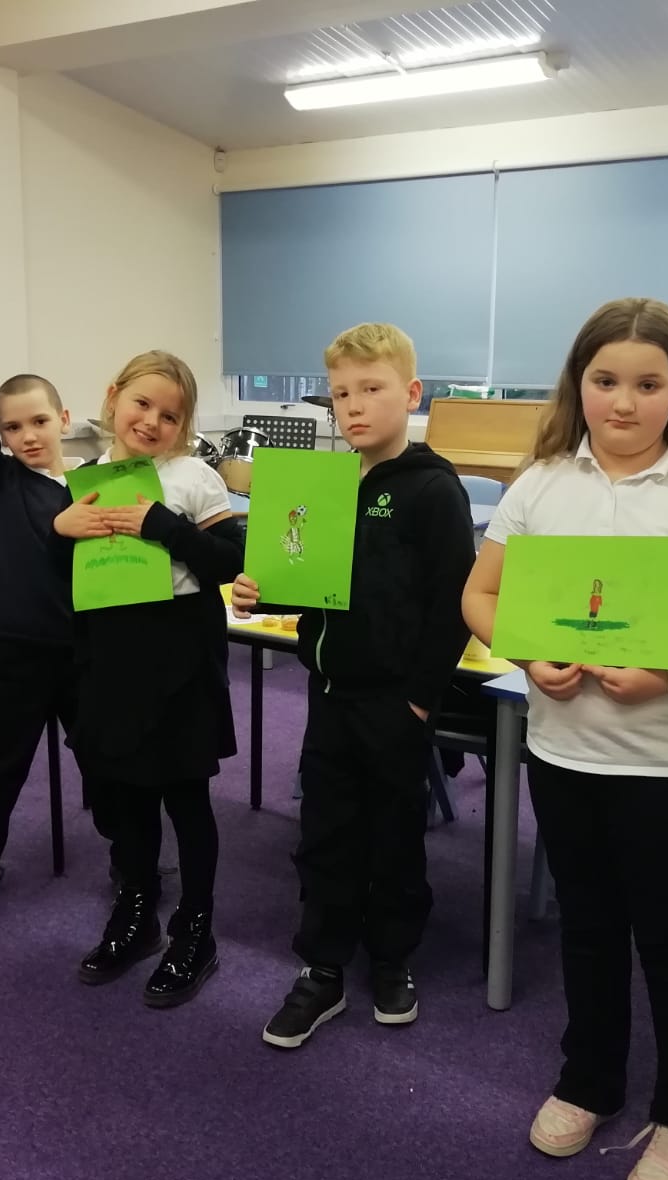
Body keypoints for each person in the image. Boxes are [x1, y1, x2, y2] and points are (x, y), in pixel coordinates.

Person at [461, 298, 668, 1180]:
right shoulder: (544, 480)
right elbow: (481, 595)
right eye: (605, 381)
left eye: (646, 384)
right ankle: (589, 1078)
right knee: (588, 929)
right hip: (563, 751)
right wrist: (526, 649)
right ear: (579, 385)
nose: (623, 403)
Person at [231, 322, 475, 1049]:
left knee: (394, 834)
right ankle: (324, 968)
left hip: (394, 700)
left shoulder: (433, 490)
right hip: (329, 695)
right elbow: (319, 586)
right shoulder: (329, 487)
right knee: (326, 834)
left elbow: (452, 605)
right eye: (342, 394)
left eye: (372, 390)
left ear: (411, 392)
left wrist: (420, 700)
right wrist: (262, 591)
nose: (355, 407)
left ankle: (393, 956)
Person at [56, 350, 244, 1008]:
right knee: (127, 797)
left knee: (185, 798)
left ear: (184, 424)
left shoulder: (194, 476)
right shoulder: (85, 478)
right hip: (109, 655)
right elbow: (62, 576)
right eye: (142, 404)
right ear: (114, 397)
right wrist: (59, 527)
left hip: (179, 656)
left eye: (170, 414)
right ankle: (136, 914)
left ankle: (196, 929)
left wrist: (163, 523)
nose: (152, 420)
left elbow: (230, 561)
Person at [0, 270, 109, 927]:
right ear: (0, 436)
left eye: (39, 420)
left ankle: (131, 861)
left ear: (64, 419)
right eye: (13, 427)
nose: (28, 434)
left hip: (84, 653)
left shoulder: (96, 488)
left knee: (102, 758)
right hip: (15, 653)